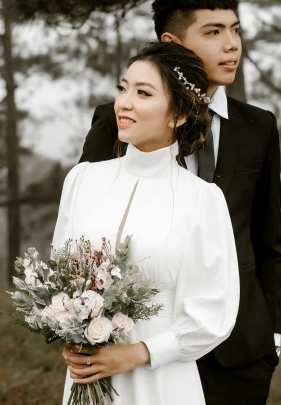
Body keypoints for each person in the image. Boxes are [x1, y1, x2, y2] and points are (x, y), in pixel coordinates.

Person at [79, 0, 281, 404]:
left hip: (240, 353)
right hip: (138, 346)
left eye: (236, 29)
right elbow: (86, 235)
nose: (232, 45)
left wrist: (272, 338)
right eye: (213, 32)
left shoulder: (258, 126)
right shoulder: (117, 121)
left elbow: (268, 240)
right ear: (172, 43)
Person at [53, 42, 240, 404]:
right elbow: (61, 275)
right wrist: (67, 330)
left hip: (161, 383)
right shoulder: (82, 180)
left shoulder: (202, 199)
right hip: (86, 381)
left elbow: (213, 312)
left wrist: (139, 352)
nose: (124, 102)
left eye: (143, 93)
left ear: (178, 114)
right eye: (123, 88)